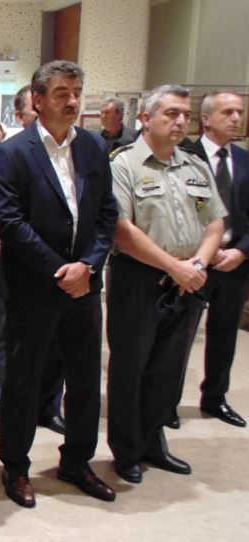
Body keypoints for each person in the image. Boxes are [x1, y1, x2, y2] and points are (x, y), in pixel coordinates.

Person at [0, 60, 118, 508]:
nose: (72, 101)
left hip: (85, 286)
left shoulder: (94, 148)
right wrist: (61, 270)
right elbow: (11, 222)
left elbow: (107, 213)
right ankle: (15, 466)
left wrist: (88, 265)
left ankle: (77, 461)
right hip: (34, 287)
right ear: (38, 98)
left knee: (84, 379)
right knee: (24, 381)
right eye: (62, 93)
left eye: (77, 92)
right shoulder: (13, 153)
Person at [107, 84, 226, 484]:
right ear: (145, 118)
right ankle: (126, 450)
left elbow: (213, 222)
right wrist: (175, 267)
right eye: (171, 113)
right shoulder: (123, 164)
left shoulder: (194, 167)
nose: (180, 122)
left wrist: (197, 263)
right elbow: (122, 231)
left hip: (189, 279)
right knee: (130, 368)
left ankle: (152, 441)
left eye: (185, 115)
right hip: (138, 278)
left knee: (168, 370)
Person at [0, 85, 66, 435]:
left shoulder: (73, 149)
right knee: (12, 338)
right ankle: (4, 404)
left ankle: (49, 405)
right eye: (38, 105)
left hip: (67, 265)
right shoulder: (10, 152)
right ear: (22, 115)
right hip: (23, 260)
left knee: (59, 340)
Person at [177, 91, 249, 429]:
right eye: (228, 112)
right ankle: (166, 401)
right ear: (206, 119)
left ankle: (215, 398)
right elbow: (177, 213)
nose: (236, 118)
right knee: (180, 336)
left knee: (224, 334)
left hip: (234, 262)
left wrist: (241, 251)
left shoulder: (244, 161)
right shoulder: (183, 157)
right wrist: (206, 251)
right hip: (192, 261)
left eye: (239, 112)